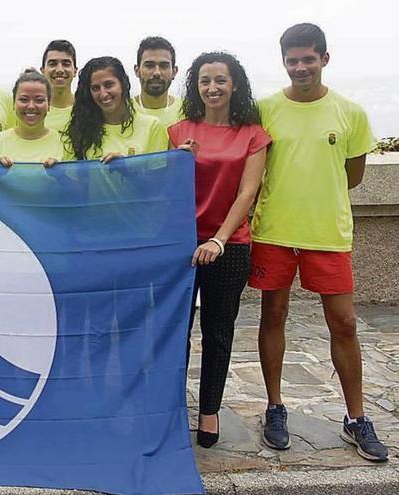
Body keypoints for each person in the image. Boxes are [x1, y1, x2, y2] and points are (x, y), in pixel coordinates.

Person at [250, 23, 386, 462]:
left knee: (344, 323)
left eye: (308, 58)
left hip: (328, 234)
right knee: (273, 315)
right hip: (273, 231)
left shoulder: (350, 112)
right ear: (283, 62)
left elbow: (354, 174)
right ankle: (274, 407)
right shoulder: (264, 109)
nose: (300, 67)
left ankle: (356, 417)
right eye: (292, 59)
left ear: (324, 59)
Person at [168, 51, 270, 448]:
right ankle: (171, 404)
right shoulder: (178, 132)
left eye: (221, 80)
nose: (212, 87)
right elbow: (166, 187)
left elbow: (248, 193)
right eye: (205, 80)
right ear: (196, 85)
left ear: (235, 85)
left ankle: (209, 410)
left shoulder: (253, 134)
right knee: (177, 331)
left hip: (229, 246)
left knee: (218, 331)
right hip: (179, 245)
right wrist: (180, 161)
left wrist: (219, 239)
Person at [64, 56, 168, 162]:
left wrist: (125, 168)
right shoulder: (81, 129)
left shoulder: (152, 127)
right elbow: (74, 176)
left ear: (123, 84)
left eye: (109, 85)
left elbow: (159, 177)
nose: (103, 94)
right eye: (95, 88)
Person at [0, 69, 62, 168]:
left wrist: (60, 173)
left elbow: (76, 181)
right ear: (14, 104)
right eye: (24, 99)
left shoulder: (64, 144)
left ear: (49, 105)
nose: (31, 106)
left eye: (39, 100)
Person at [134, 37, 184, 127]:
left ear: (174, 71)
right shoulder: (123, 111)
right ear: (137, 71)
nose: (157, 73)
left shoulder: (187, 112)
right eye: (149, 66)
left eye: (164, 66)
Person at [40, 40, 77, 133]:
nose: (59, 69)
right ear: (43, 70)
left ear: (75, 71)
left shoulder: (88, 110)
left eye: (66, 64)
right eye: (53, 64)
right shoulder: (32, 112)